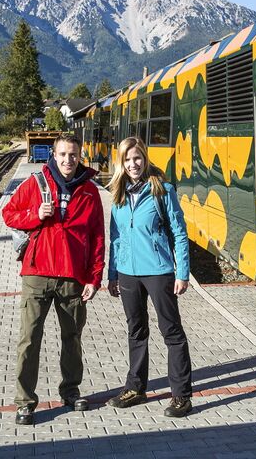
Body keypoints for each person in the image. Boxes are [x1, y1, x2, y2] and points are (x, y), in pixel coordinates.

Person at [2, 134, 105, 426]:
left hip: (73, 276)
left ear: (80, 155)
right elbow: (9, 214)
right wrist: (34, 214)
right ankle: (25, 402)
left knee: (72, 338)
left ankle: (70, 391)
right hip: (37, 273)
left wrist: (94, 278)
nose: (68, 160)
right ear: (54, 155)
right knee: (29, 338)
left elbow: (98, 237)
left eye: (73, 155)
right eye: (62, 154)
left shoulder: (89, 191)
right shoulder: (36, 183)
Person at [107, 136, 193, 417]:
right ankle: (136, 388)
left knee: (171, 332)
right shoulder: (118, 194)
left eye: (137, 158)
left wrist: (182, 273)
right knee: (136, 330)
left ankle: (181, 396)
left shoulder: (162, 190)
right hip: (127, 273)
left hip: (158, 271)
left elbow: (179, 233)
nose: (133, 164)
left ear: (145, 158)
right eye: (127, 160)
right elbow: (116, 238)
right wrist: (112, 274)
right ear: (121, 163)